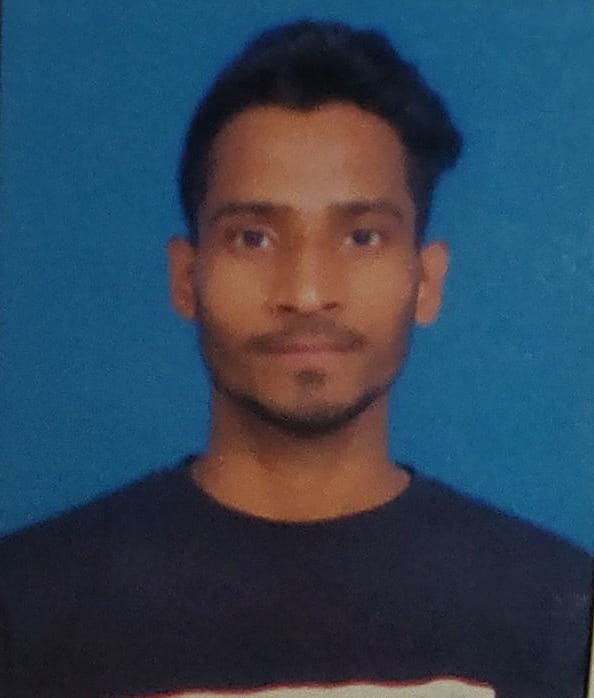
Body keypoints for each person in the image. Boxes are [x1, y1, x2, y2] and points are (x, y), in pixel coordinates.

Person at [0, 19, 591, 698]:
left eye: (362, 237)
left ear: (427, 281)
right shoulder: (25, 609)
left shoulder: (558, 617)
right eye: (253, 238)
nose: (307, 294)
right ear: (185, 278)